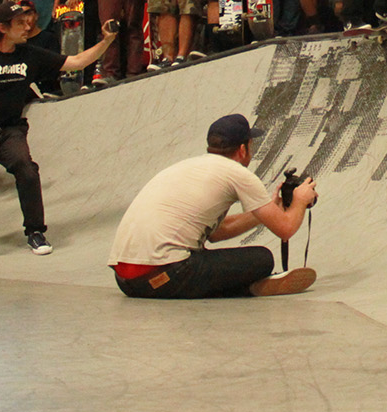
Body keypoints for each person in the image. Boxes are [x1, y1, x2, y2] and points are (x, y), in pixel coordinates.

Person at [0, 3, 118, 255]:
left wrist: (106, 41)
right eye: (20, 23)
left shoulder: (30, 54)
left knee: (27, 172)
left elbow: (76, 62)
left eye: (27, 21)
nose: (28, 26)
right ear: (2, 28)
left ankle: (35, 231)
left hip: (9, 131)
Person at [107, 113, 319, 299]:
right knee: (262, 259)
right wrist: (300, 200)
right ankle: (248, 287)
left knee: (199, 256)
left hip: (127, 282)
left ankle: (240, 286)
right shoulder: (238, 173)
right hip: (167, 276)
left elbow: (217, 233)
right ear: (243, 149)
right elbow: (286, 229)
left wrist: (266, 212)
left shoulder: (187, 166)